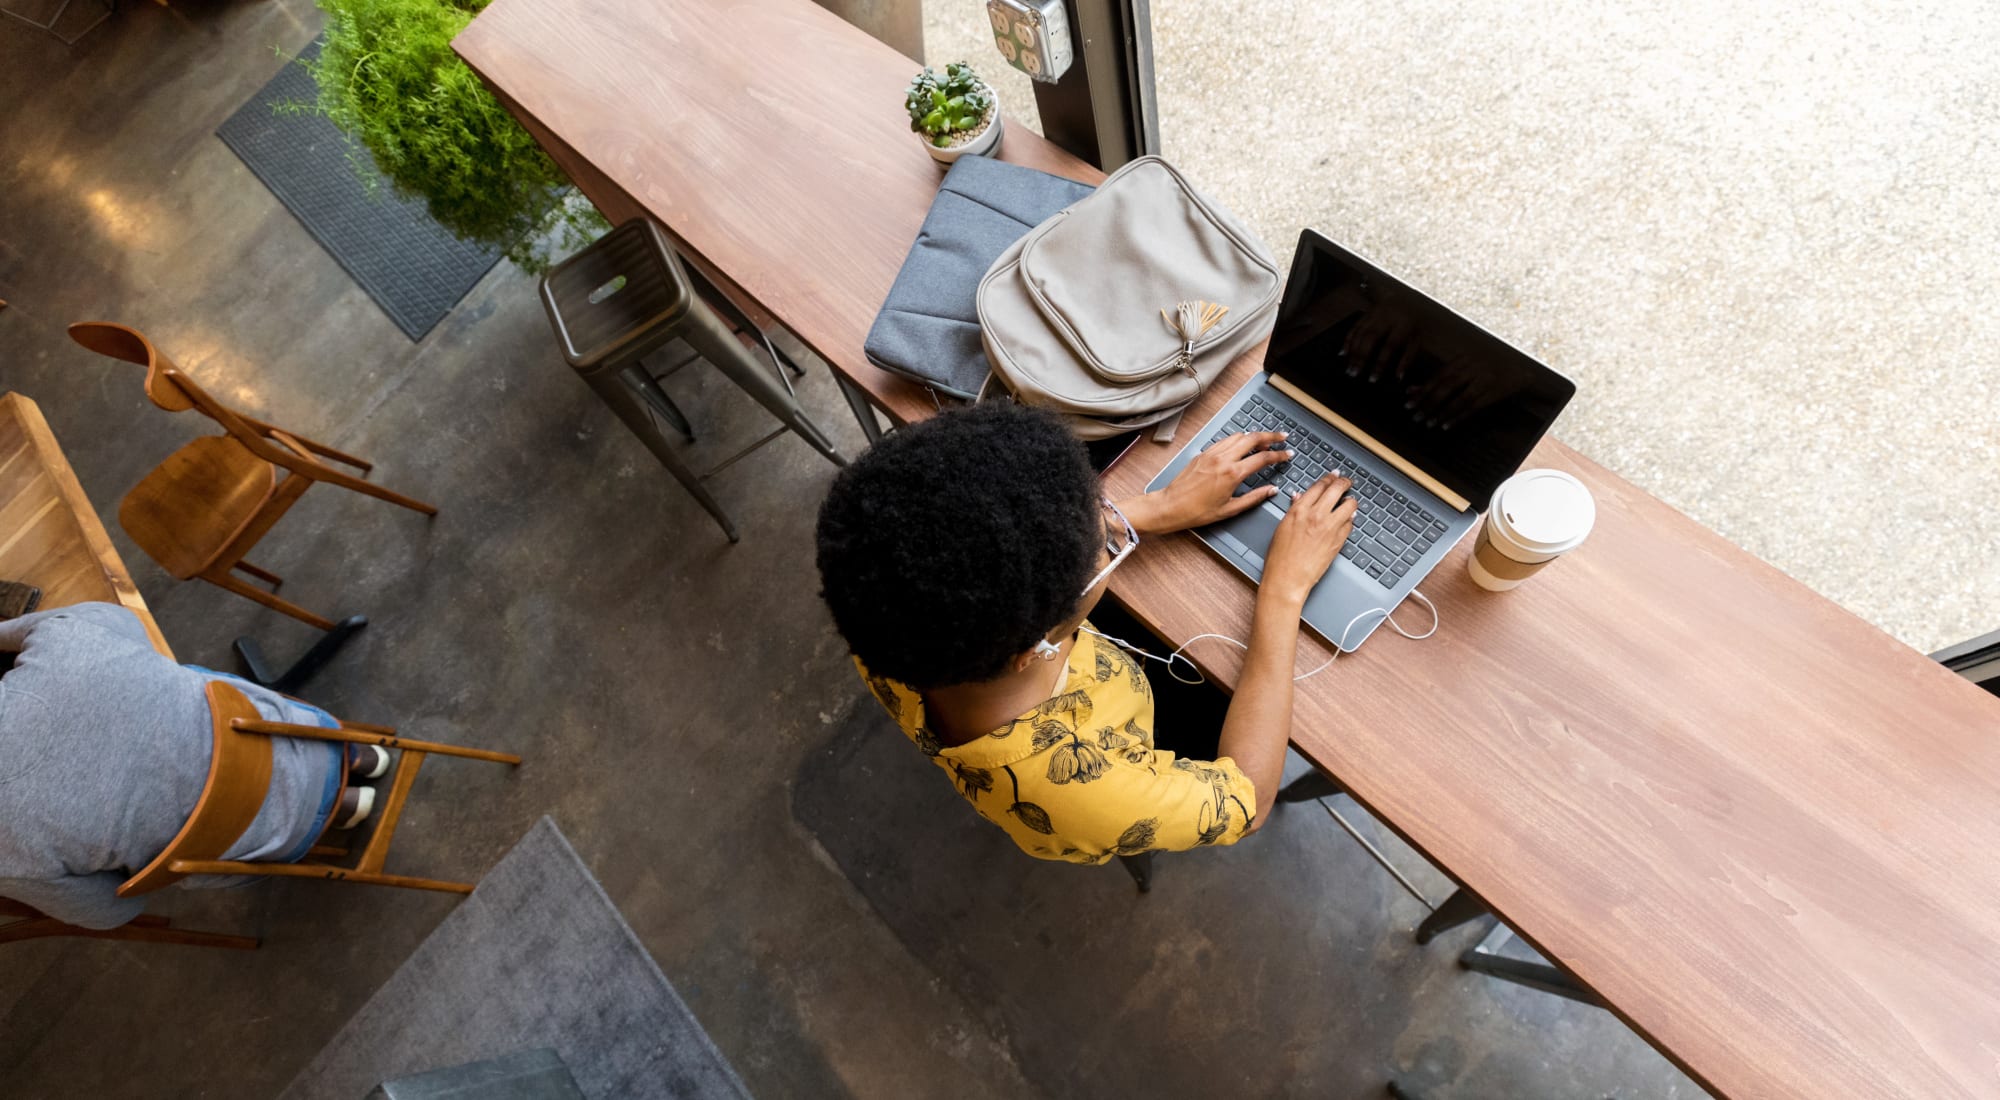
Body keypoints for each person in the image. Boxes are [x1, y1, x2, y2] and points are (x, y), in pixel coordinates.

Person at [815, 403, 1356, 864]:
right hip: (1145, 731)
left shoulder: (889, 609)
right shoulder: (1084, 791)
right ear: (1034, 648)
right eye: (1107, 546)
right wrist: (1283, 592)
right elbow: (1249, 802)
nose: (1114, 526)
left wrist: (1156, 508)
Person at [0, 601, 387, 929]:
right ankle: (351, 756)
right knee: (176, 677)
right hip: (307, 731)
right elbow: (123, 618)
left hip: (270, 847)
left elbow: (111, 912)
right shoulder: (64, 639)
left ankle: (341, 809)